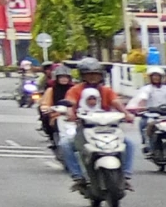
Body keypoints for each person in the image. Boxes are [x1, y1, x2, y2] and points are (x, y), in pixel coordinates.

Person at [54, 59, 129, 189]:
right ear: (83, 76)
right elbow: (70, 103)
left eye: (96, 74)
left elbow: (116, 102)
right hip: (84, 129)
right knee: (65, 144)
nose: (93, 77)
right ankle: (78, 176)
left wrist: (126, 113)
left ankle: (126, 176)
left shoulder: (106, 90)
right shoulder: (75, 90)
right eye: (89, 74)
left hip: (108, 129)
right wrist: (70, 113)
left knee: (129, 144)